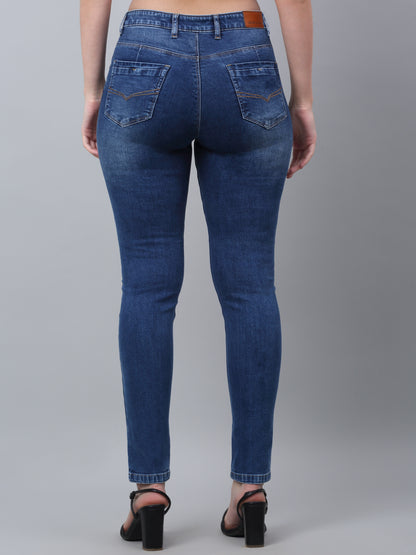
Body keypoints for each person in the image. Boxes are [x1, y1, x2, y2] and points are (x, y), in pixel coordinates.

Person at [80, 0, 316, 549]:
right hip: (245, 54)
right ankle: (249, 490)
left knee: (146, 286)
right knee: (251, 286)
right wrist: (302, 100)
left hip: (144, 54)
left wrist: (93, 91)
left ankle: (149, 491)